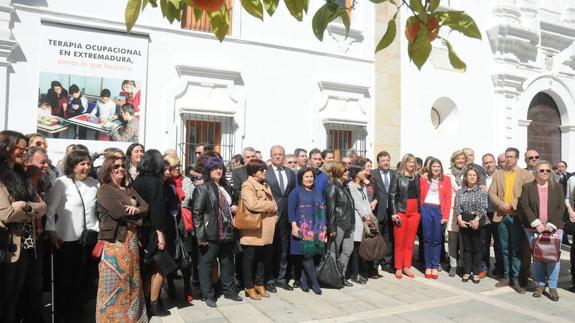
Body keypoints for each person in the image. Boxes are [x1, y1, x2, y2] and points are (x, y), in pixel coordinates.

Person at [45, 149, 99, 320]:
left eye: (88, 164)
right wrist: (51, 232)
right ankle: (63, 311)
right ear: (72, 166)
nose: (86, 167)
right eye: (82, 164)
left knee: (84, 277)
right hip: (66, 239)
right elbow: (49, 210)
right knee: (66, 278)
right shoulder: (61, 183)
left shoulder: (94, 184)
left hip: (89, 238)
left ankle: (78, 307)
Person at [0, 131, 47, 323]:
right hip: (6, 246)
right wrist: (30, 209)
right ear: (6, 147)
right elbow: (6, 213)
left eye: (25, 147)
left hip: (25, 246)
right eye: (20, 147)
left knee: (14, 296)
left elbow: (42, 207)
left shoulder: (20, 175)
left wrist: (26, 206)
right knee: (4, 296)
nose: (24, 150)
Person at [96, 155, 149, 322]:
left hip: (132, 240)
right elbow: (118, 212)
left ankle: (133, 317)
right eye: (115, 166)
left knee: (133, 278)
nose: (120, 168)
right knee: (115, 282)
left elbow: (146, 206)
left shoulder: (129, 188)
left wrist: (137, 209)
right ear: (108, 170)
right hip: (116, 242)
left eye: (122, 166)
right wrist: (138, 216)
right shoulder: (106, 189)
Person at [193, 157, 242, 307]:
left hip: (227, 232)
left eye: (220, 168)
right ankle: (208, 295)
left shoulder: (226, 187)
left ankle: (229, 291)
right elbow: (197, 213)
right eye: (215, 168)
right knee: (207, 265)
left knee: (227, 263)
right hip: (211, 233)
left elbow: (232, 202)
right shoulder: (203, 188)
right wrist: (201, 236)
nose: (218, 171)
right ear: (208, 171)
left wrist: (234, 206)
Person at [132, 150, 175, 316]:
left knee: (149, 268)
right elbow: (157, 208)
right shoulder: (154, 182)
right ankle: (154, 304)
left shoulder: (139, 180)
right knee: (160, 268)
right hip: (152, 231)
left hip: (142, 230)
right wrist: (160, 233)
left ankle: (148, 301)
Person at [489, 147, 533, 294]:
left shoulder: (526, 175)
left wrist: (512, 204)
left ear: (517, 158)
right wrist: (502, 204)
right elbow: (492, 193)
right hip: (501, 215)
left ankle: (516, 279)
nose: (508, 159)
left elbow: (526, 195)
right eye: (506, 156)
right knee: (504, 248)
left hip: (516, 216)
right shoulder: (498, 174)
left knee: (517, 249)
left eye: (511, 157)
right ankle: (506, 276)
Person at [519, 160, 565, 301]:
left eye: (548, 171)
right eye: (542, 171)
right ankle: (540, 284)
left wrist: (551, 225)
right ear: (535, 172)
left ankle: (552, 286)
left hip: (554, 228)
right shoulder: (527, 187)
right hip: (533, 228)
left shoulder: (557, 186)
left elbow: (561, 207)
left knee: (553, 258)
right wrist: (536, 223)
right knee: (538, 257)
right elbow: (524, 205)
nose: (545, 173)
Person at [19, 146, 49, 323]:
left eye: (47, 162)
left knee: (36, 283)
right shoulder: (21, 183)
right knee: (22, 283)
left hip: (39, 239)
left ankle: (34, 315)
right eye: (42, 162)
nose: (46, 166)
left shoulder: (43, 183)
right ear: (28, 163)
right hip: (23, 241)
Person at [288, 168, 327, 294]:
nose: (309, 179)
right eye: (306, 177)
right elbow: (291, 210)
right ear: (301, 178)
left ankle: (304, 282)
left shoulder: (317, 191)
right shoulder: (296, 192)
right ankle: (315, 283)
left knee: (311, 256)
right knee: (306, 256)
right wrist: (294, 226)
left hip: (316, 228)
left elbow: (322, 209)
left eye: (311, 177)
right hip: (302, 228)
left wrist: (324, 226)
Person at [265, 146, 295, 292]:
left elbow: (293, 193)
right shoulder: (266, 172)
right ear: (271, 156)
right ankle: (269, 279)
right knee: (270, 248)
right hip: (270, 215)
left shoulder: (290, 172)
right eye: (275, 154)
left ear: (284, 156)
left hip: (286, 215)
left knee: (283, 249)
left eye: (280, 154)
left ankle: (281, 278)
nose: (278, 157)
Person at [455, 167, 488, 284]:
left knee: (477, 248)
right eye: (470, 175)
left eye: (474, 175)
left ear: (477, 177)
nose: (472, 177)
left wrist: (476, 219)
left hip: (477, 222)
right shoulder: (460, 191)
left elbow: (483, 206)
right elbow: (458, 207)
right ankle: (467, 271)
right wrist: (459, 220)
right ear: (466, 177)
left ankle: (476, 272)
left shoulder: (482, 191)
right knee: (466, 248)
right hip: (464, 222)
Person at [389, 153, 420, 279]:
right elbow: (391, 195)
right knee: (399, 241)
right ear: (404, 163)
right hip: (401, 211)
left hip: (415, 212)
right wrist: (394, 213)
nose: (411, 164)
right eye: (409, 162)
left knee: (410, 241)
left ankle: (406, 266)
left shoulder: (416, 177)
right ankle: (398, 267)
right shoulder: (397, 176)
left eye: (413, 162)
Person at [419, 158, 451, 279]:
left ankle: (435, 264)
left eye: (438, 166)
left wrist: (446, 216)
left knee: (437, 239)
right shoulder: (424, 179)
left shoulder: (446, 179)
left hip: (439, 210)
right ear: (430, 168)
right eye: (434, 167)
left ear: (441, 168)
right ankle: (428, 266)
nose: (436, 169)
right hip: (426, 209)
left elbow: (448, 199)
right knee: (427, 239)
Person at [325, 161, 355, 286]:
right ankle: (332, 277)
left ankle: (342, 275)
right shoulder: (333, 187)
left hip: (349, 223)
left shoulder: (345, 186)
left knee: (348, 249)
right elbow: (330, 210)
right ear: (338, 172)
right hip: (338, 223)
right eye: (345, 170)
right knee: (333, 251)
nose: (348, 172)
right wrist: (332, 227)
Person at [347, 159, 374, 283]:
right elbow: (357, 203)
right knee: (356, 247)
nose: (365, 172)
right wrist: (365, 216)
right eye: (362, 170)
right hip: (357, 220)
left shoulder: (362, 185)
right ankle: (354, 273)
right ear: (356, 172)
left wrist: (370, 215)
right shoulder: (351, 185)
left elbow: (366, 202)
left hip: (365, 218)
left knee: (361, 247)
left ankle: (360, 271)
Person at [371, 151, 396, 273]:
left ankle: (387, 263)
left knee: (389, 237)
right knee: (376, 237)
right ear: (378, 162)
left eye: (387, 160)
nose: (386, 163)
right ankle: (374, 264)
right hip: (377, 211)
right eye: (383, 161)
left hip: (391, 211)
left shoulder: (394, 173)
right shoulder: (373, 174)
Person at [444, 149, 467, 277]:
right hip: (452, 209)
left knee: (463, 239)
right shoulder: (447, 174)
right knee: (452, 238)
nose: (460, 161)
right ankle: (453, 264)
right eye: (458, 158)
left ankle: (462, 264)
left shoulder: (469, 173)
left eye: (462, 159)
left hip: (466, 210)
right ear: (453, 160)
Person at [481, 153, 503, 279]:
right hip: (484, 214)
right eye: (486, 163)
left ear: (495, 162)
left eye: (490, 162)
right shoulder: (481, 178)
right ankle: (484, 268)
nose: (489, 164)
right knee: (484, 242)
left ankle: (499, 267)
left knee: (499, 242)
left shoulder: (501, 176)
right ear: (483, 165)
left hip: (497, 213)